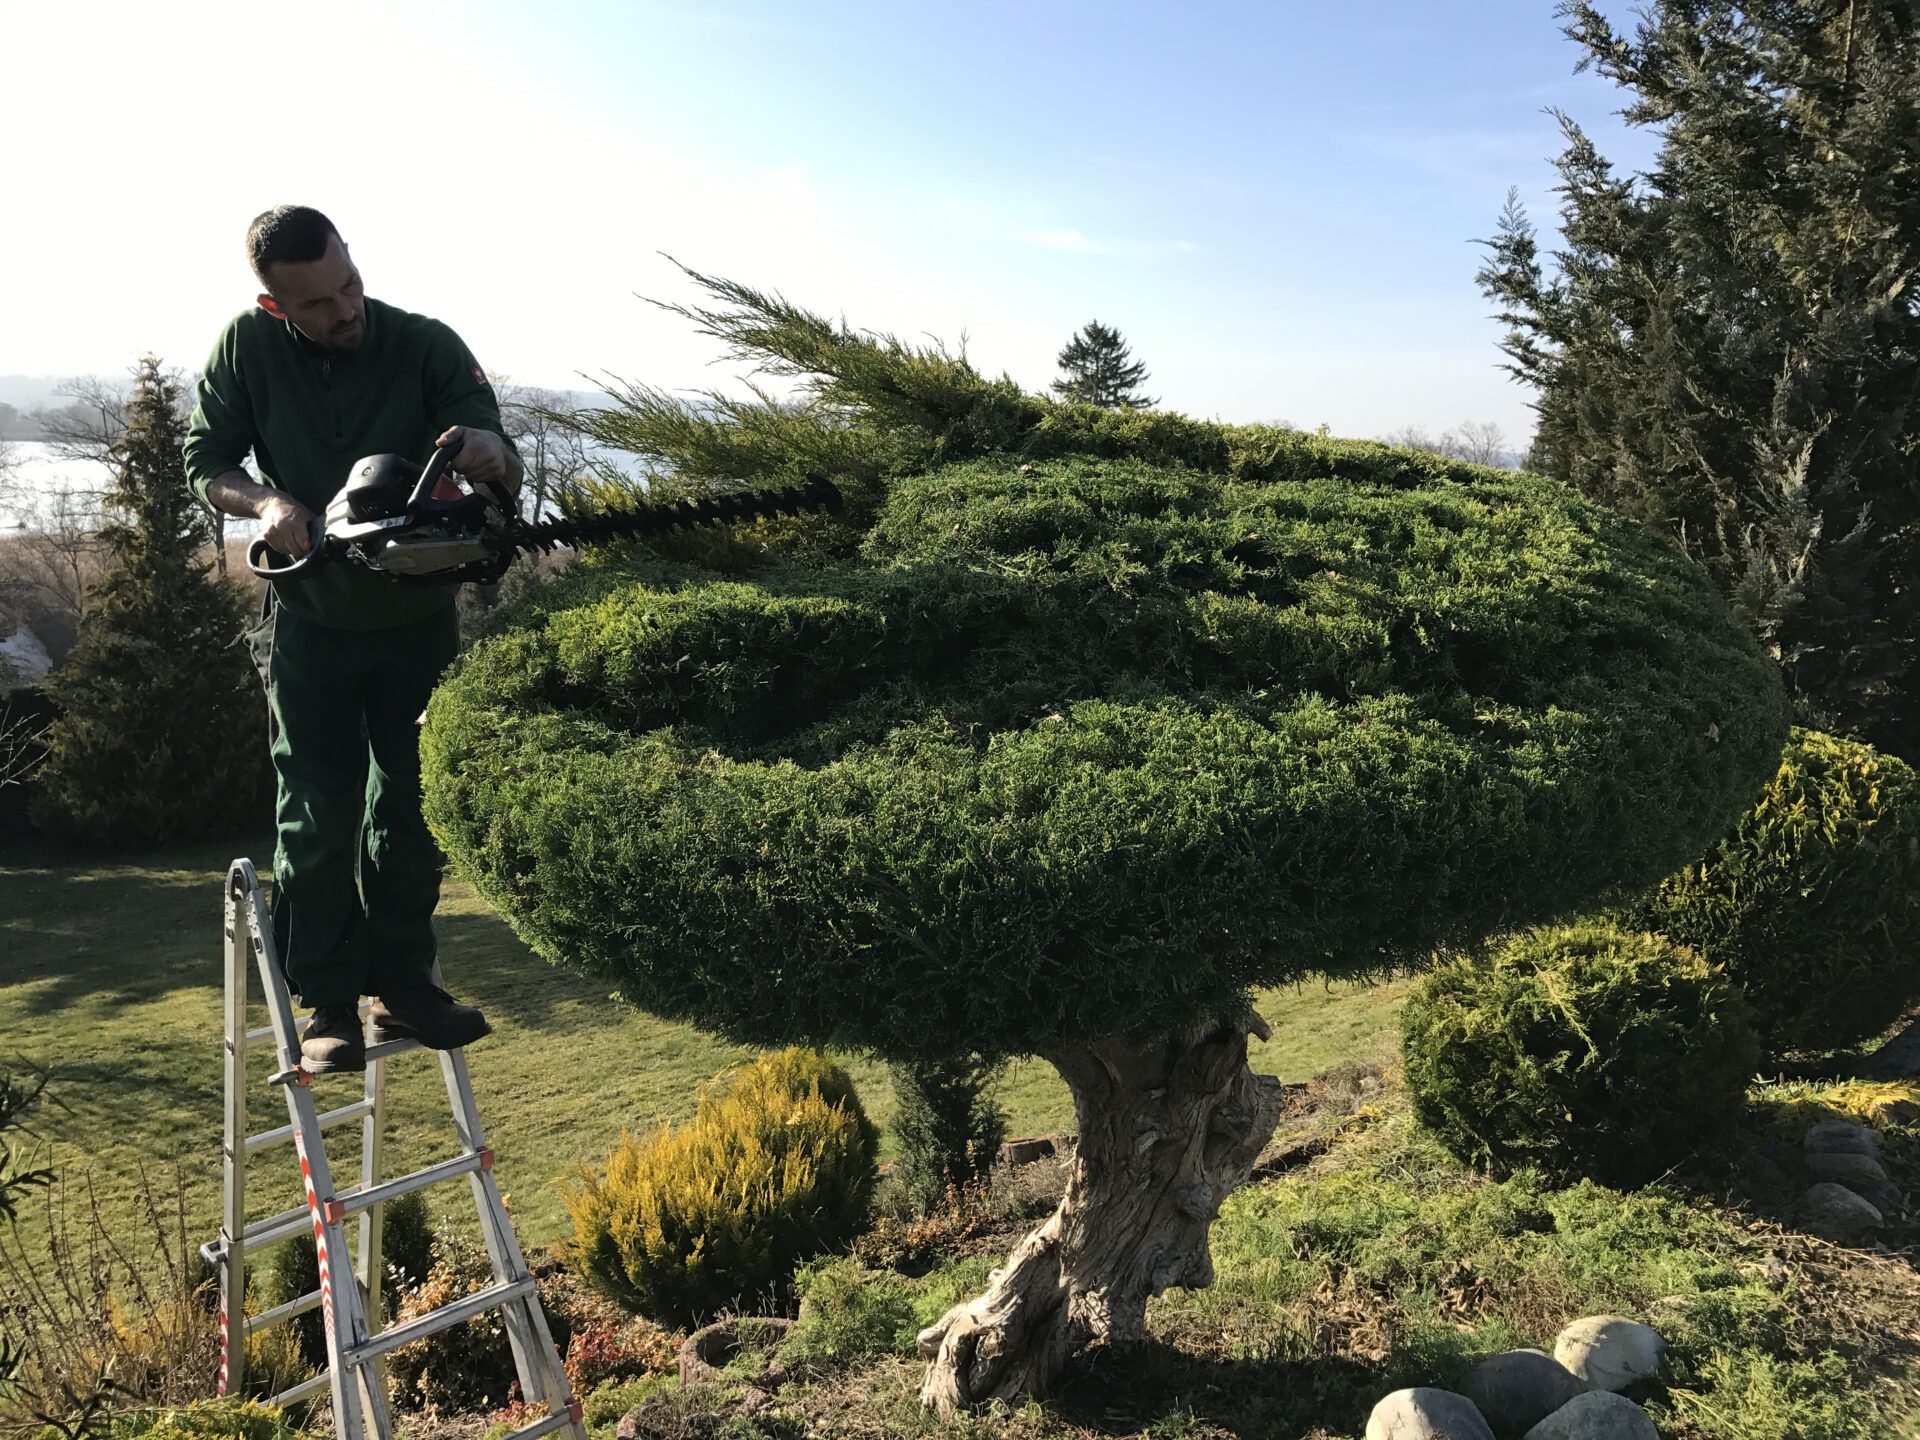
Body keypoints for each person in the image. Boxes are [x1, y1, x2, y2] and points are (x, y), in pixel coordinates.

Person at [183, 205, 523, 1074]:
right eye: (320, 304)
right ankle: (329, 1001)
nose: (346, 310)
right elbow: (208, 463)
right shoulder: (244, 351)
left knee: (413, 808)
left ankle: (404, 988)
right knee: (319, 810)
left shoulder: (424, 344)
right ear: (275, 308)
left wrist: (486, 449)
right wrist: (266, 503)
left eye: (350, 284)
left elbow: (492, 442)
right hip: (310, 626)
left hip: (416, 623)